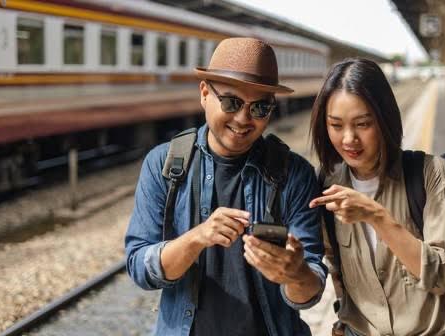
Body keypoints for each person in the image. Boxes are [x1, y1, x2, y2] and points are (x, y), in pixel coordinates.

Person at [125, 37, 326, 336]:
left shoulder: (294, 173)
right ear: (205, 93)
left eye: (260, 108)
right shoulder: (164, 164)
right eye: (232, 102)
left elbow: (310, 292)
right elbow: (140, 268)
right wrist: (197, 238)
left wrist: (296, 274)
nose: (244, 119)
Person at [308, 58, 445, 336]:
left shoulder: (431, 174)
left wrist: (376, 217)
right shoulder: (325, 184)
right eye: (336, 125)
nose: (348, 139)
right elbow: (335, 264)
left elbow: (440, 277)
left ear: (385, 119)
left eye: (362, 124)